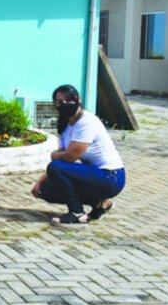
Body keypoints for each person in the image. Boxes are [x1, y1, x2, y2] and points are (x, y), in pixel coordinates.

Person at [32, 84, 126, 224]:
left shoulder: (87, 122)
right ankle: (100, 203)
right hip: (95, 174)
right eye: (59, 102)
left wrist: (54, 155)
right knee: (47, 190)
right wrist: (40, 182)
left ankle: (76, 212)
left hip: (111, 176)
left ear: (77, 99)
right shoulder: (66, 125)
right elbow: (64, 162)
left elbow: (69, 157)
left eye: (68, 100)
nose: (64, 104)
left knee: (55, 167)